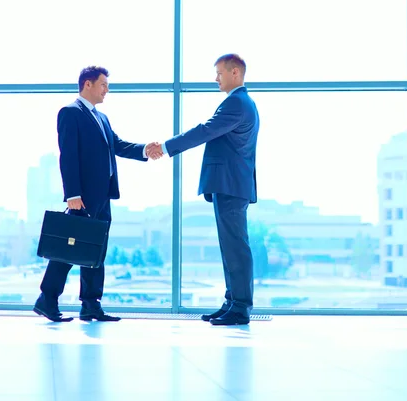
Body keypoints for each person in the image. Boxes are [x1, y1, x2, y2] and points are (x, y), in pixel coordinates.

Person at [34, 66, 162, 322]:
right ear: (88, 84)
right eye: (103, 84)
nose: (107, 90)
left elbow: (118, 145)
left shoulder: (102, 118)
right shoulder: (70, 113)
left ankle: (91, 304)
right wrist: (72, 193)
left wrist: (144, 150)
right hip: (82, 196)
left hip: (103, 195)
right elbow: (67, 155)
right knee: (69, 248)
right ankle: (47, 299)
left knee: (95, 250)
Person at [147, 53, 259, 326]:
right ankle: (232, 302)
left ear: (235, 73)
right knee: (230, 247)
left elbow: (205, 131)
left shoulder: (237, 103)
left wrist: (166, 146)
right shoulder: (241, 103)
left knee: (235, 247)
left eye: (219, 73)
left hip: (231, 185)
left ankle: (241, 306)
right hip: (230, 185)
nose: (216, 78)